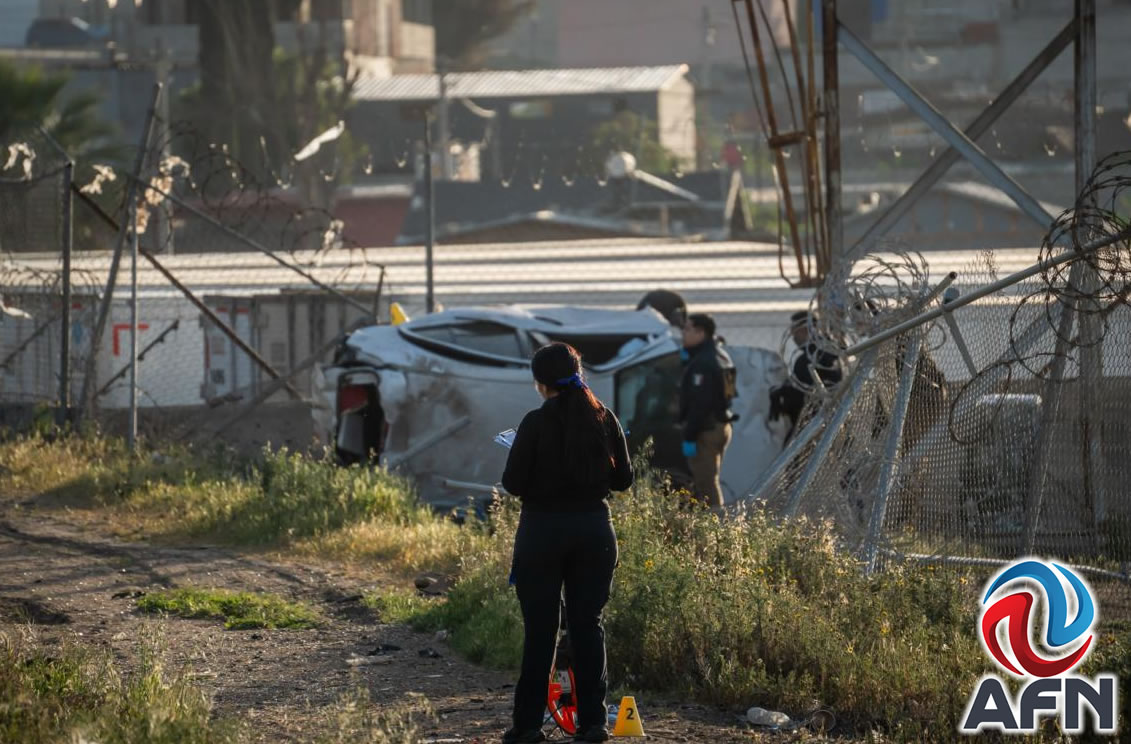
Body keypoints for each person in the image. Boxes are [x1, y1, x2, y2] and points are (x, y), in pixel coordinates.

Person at [501, 342, 634, 744]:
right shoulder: (603, 417)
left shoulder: (534, 422)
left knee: (541, 631)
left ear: (540, 384)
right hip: (594, 530)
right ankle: (593, 723)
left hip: (542, 531)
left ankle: (526, 728)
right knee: (587, 627)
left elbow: (513, 483)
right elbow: (624, 480)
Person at [678, 313, 735, 509]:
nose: (683, 334)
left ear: (700, 333)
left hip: (706, 429)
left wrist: (690, 435)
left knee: (707, 484)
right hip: (721, 424)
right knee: (709, 480)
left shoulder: (704, 362)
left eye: (687, 329)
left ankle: (716, 528)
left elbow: (700, 404)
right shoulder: (719, 354)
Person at [769, 310, 843, 440]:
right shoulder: (830, 352)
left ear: (805, 330)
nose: (793, 337)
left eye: (795, 331)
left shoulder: (809, 359)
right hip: (833, 420)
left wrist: (782, 396)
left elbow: (806, 396)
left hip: (816, 424)